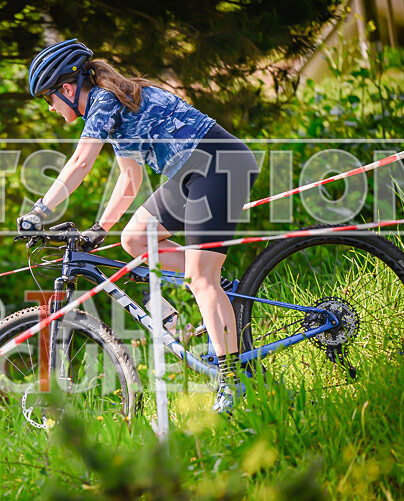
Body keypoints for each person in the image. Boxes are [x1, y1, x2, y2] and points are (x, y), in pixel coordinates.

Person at [17, 39, 259, 407]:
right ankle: (218, 293)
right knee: (134, 240)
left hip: (219, 164)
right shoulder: (111, 104)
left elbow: (81, 162)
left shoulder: (104, 100)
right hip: (192, 173)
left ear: (67, 89)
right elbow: (129, 181)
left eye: (49, 100)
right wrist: (101, 228)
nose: (51, 109)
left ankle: (234, 383)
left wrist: (39, 211)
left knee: (199, 276)